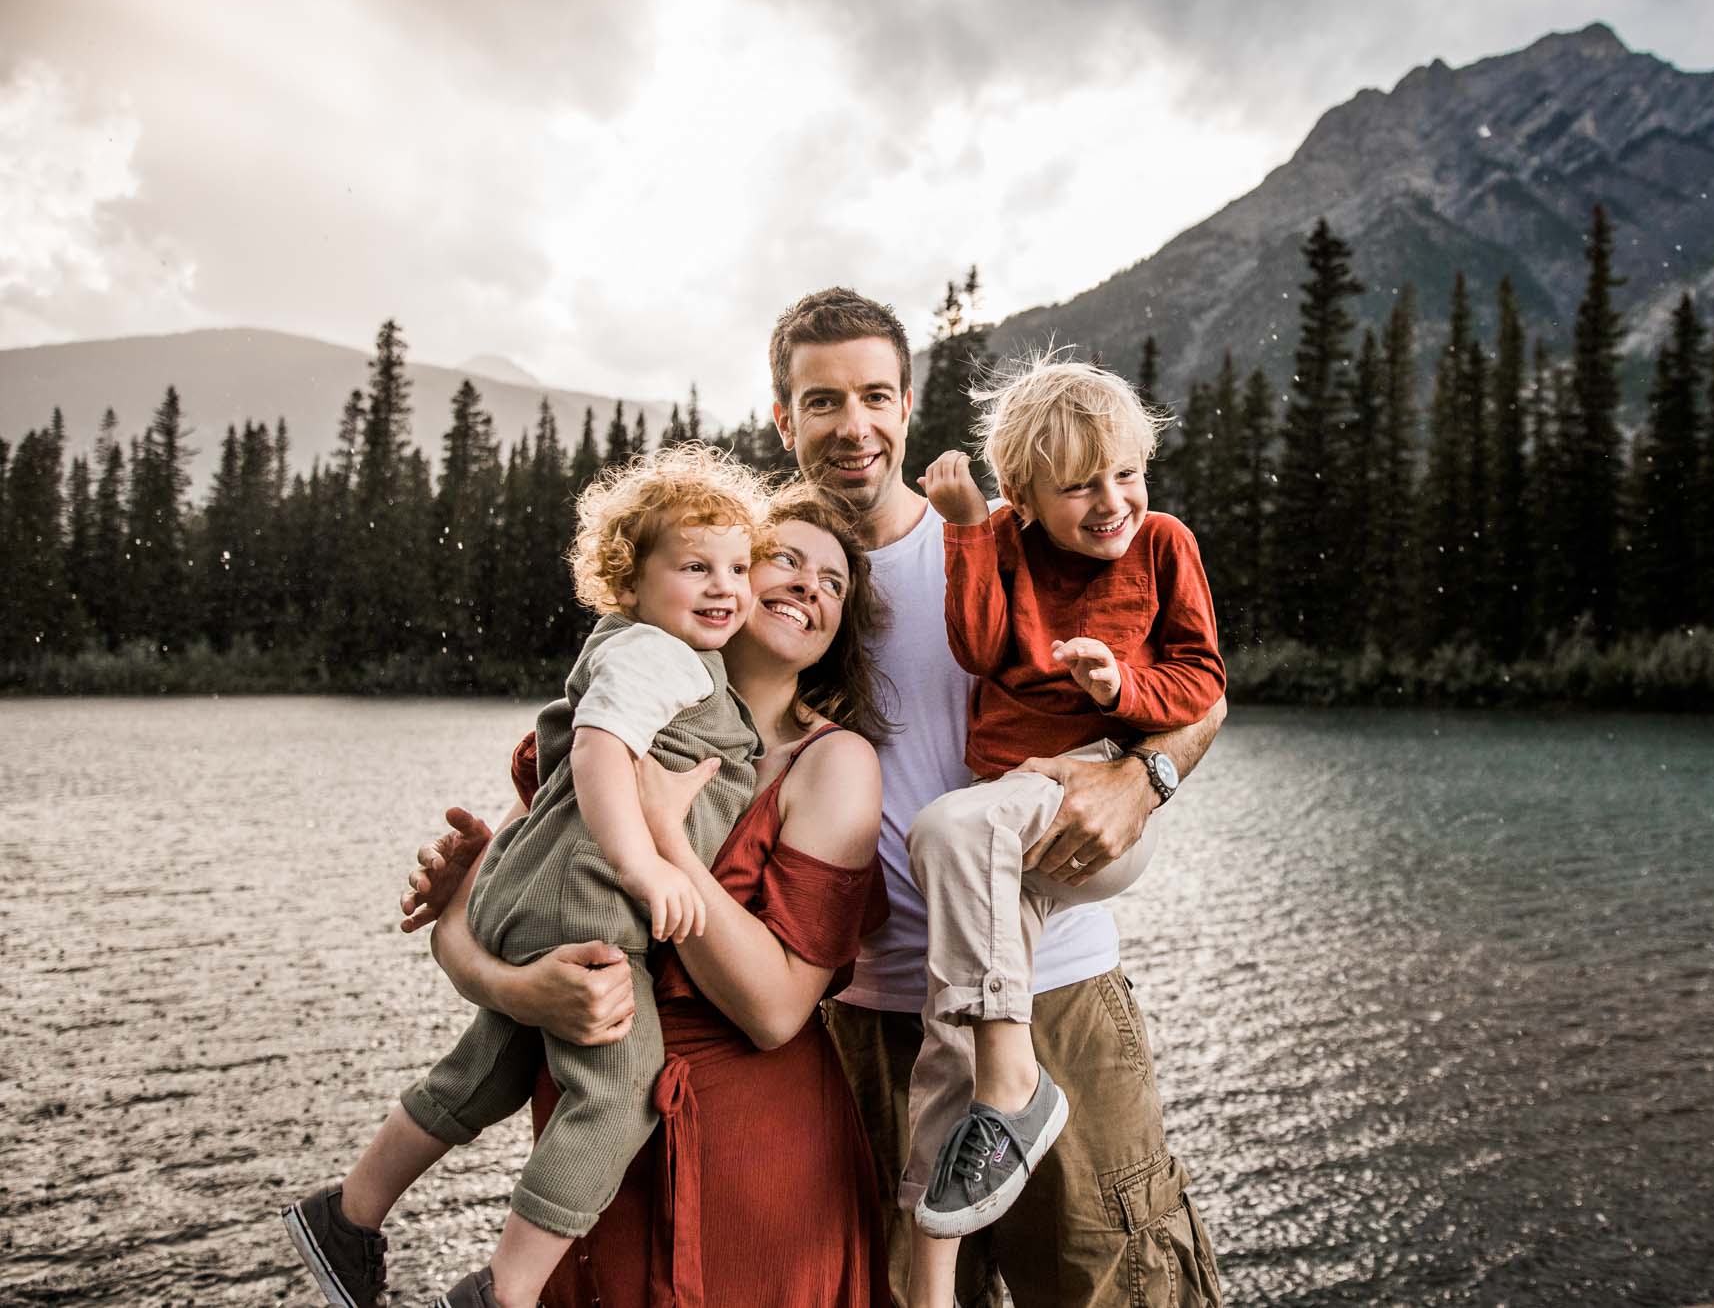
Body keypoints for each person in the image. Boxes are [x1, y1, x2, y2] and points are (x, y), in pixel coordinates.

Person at [768, 288, 1227, 1306]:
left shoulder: (999, 540)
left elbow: (1199, 688)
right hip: (860, 1018)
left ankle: (1014, 1085)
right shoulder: (774, 582)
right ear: (781, 417)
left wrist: (1142, 777)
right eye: (820, 401)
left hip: (1054, 991)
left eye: (873, 395)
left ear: (904, 401)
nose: (852, 424)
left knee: (1117, 1284)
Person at [286, 446, 770, 1308]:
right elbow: (597, 749)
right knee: (621, 1089)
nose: (723, 584)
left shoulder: (672, 655)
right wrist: (638, 861)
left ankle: (348, 1214)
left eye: (737, 566)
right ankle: (502, 1295)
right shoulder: (659, 656)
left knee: (492, 1065)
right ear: (628, 580)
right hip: (585, 889)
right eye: (694, 565)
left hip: (535, 884)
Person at [404, 481, 896, 1306]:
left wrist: (668, 838)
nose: (811, 587)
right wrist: (522, 989)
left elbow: (776, 1011)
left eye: (835, 583)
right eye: (786, 560)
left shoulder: (835, 764)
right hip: (586, 1157)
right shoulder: (615, 716)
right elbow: (462, 934)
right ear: (729, 575)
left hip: (754, 1159)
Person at [900, 354, 1227, 1300]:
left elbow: (1202, 678)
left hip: (1093, 795)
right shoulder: (1000, 537)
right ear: (1026, 495)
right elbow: (979, 642)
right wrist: (966, 530)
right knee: (942, 1047)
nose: (1111, 500)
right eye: (1080, 484)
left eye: (1126, 473)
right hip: (1016, 814)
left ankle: (1015, 1079)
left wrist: (1124, 691)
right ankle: (934, 1251)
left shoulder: (1165, 544)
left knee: (947, 832)